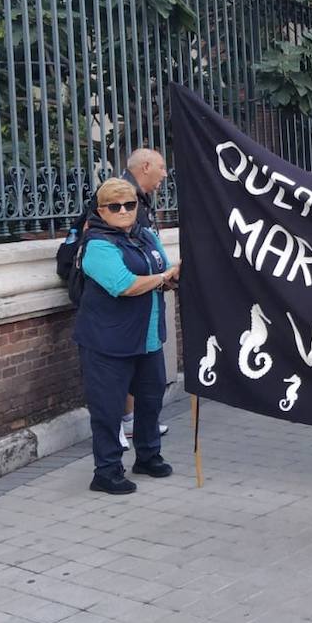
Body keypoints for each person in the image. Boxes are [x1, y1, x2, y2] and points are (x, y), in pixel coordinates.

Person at [75, 178, 178, 495]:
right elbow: (124, 284)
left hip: (147, 336)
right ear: (101, 210)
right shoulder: (96, 245)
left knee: (150, 399)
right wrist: (163, 278)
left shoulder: (145, 236)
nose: (124, 211)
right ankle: (106, 471)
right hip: (108, 341)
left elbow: (164, 269)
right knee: (107, 410)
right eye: (115, 206)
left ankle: (148, 455)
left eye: (130, 204)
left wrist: (173, 277)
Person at [119, 149, 171, 449]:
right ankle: (117, 422)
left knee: (142, 364)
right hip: (126, 303)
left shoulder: (140, 197)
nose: (165, 175)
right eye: (162, 168)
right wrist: (160, 277)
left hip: (147, 296)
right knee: (122, 364)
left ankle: (132, 421)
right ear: (147, 166)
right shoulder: (124, 197)